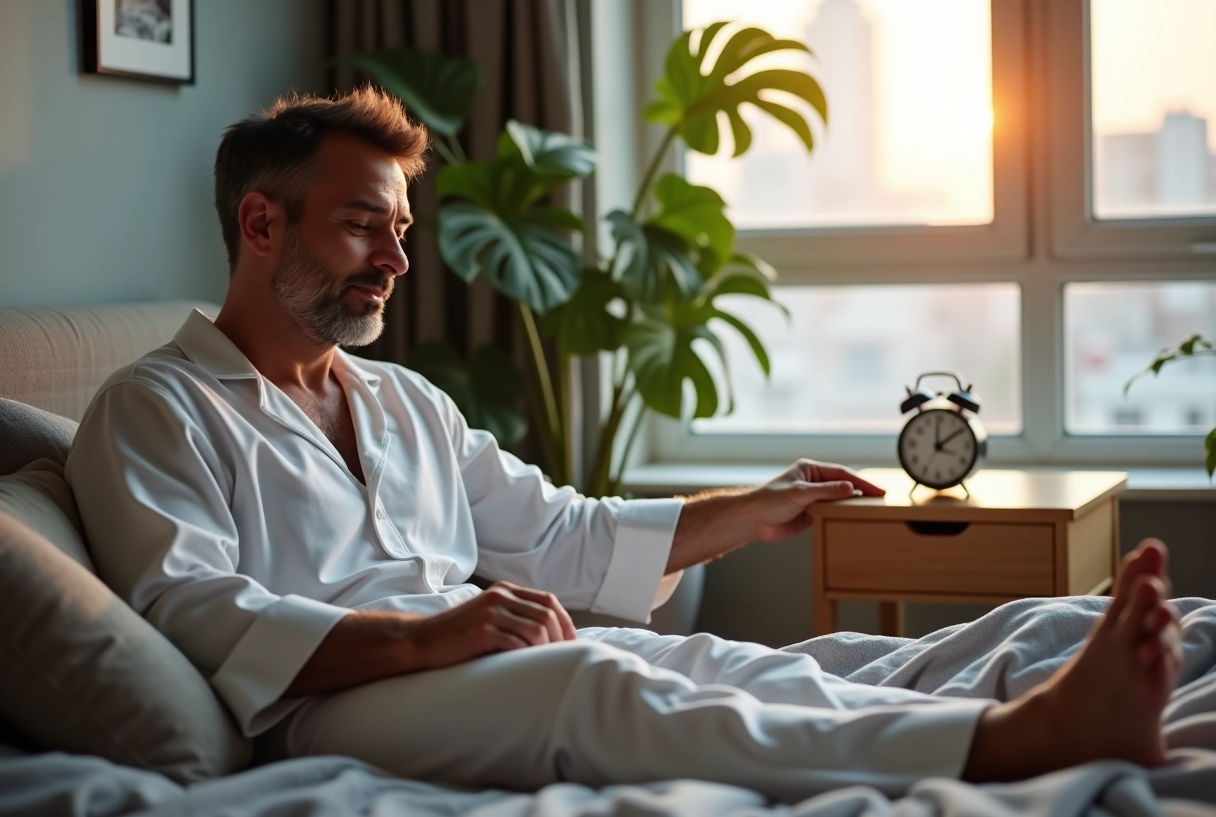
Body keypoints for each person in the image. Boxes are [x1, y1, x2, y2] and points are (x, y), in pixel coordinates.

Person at [66, 87, 1184, 802]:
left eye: (400, 231)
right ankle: (1003, 749)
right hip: (329, 705)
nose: (397, 261)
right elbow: (195, 610)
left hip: (466, 660)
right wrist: (421, 638)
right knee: (595, 683)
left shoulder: (404, 399)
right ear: (262, 225)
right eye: (364, 224)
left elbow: (559, 531)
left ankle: (991, 708)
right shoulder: (155, 408)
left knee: (717, 662)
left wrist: (751, 506)